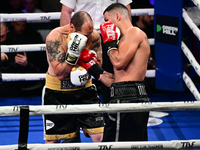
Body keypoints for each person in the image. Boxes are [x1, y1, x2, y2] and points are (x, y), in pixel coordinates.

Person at [77, 3, 150, 142]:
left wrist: (109, 43)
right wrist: (92, 66)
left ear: (117, 16)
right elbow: (118, 82)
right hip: (125, 96)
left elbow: (118, 63)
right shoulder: (123, 40)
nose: (105, 25)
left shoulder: (134, 32)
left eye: (106, 20)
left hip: (129, 101)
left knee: (112, 146)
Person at [43, 11, 104, 144]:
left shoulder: (94, 36)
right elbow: (60, 74)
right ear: (72, 27)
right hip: (58, 93)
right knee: (54, 140)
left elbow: (98, 63)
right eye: (84, 35)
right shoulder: (55, 37)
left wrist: (85, 61)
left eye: (89, 34)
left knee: (99, 137)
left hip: (85, 91)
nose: (87, 38)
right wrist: (73, 54)